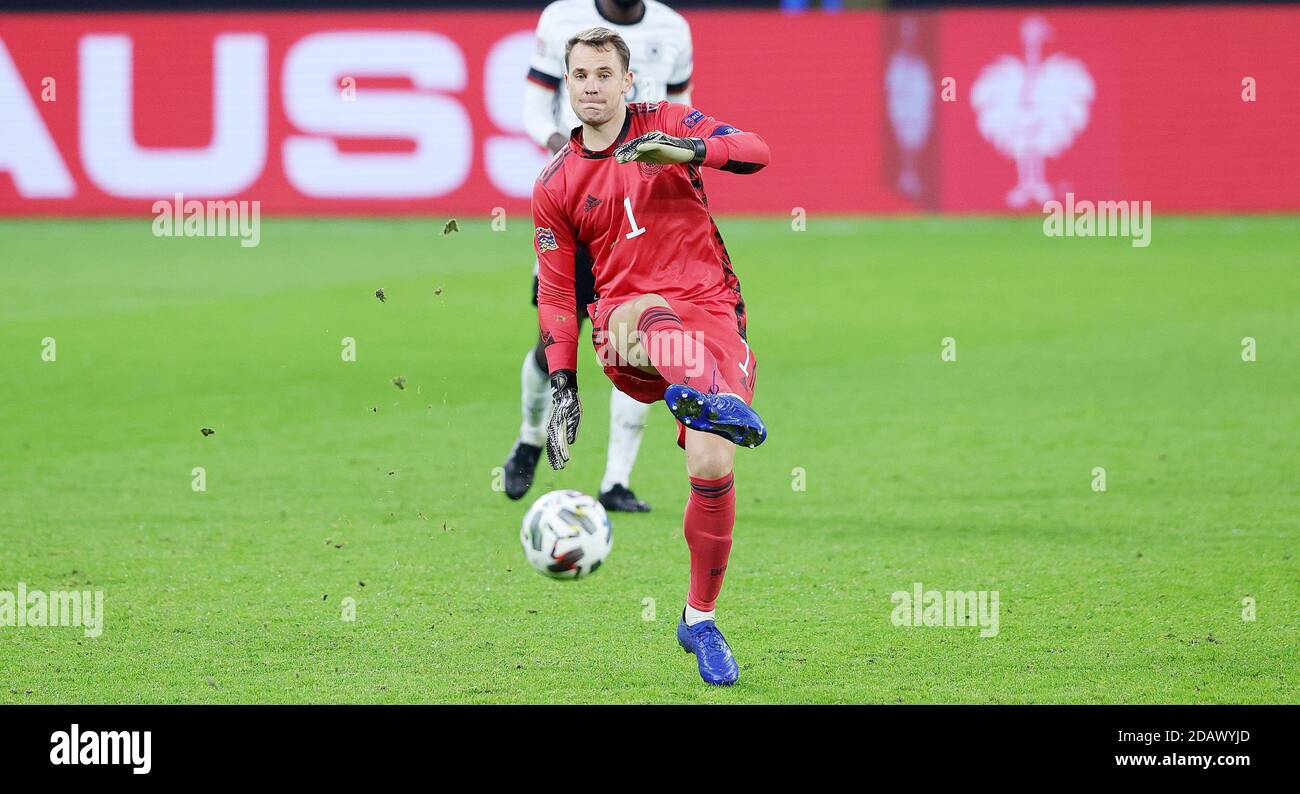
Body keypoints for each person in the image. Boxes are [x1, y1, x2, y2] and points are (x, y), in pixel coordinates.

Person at [533, 27, 769, 685]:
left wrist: (690, 151)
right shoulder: (555, 183)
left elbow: (757, 152)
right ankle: (708, 399)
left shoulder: (667, 121)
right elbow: (556, 295)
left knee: (714, 458)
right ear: (568, 84)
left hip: (713, 310)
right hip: (627, 328)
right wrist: (563, 386)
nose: (592, 87)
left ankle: (699, 618)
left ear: (627, 81)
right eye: (580, 75)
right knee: (643, 312)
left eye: (604, 74)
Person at [505, 0, 696, 513]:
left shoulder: (673, 29)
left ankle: (615, 480)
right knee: (553, 344)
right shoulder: (560, 18)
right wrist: (567, 153)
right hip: (580, 207)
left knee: (633, 348)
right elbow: (532, 104)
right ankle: (529, 437)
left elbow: (682, 117)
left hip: (642, 215)